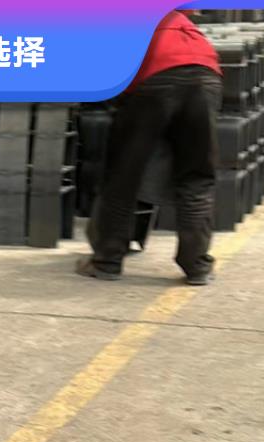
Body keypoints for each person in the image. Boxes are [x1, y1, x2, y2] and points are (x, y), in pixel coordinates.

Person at [77, 10, 223, 286]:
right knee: (196, 178)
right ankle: (197, 266)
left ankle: (107, 260)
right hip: (205, 74)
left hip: (154, 77)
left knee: (123, 176)